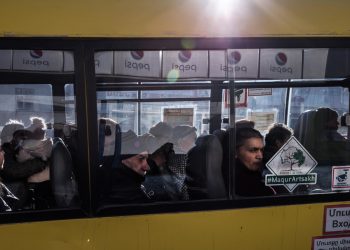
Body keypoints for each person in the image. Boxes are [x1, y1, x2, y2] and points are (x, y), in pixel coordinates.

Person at [106, 130, 152, 204]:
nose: (147, 167)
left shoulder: (109, 180)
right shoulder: (129, 194)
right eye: (141, 158)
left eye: (146, 159)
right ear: (123, 160)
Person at [235, 127, 274, 196]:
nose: (260, 156)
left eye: (261, 150)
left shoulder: (254, 174)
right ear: (236, 152)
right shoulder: (241, 182)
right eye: (253, 150)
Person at [167, 125, 197, 200]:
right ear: (180, 141)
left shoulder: (173, 155)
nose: (196, 143)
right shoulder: (183, 159)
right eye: (194, 139)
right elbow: (185, 192)